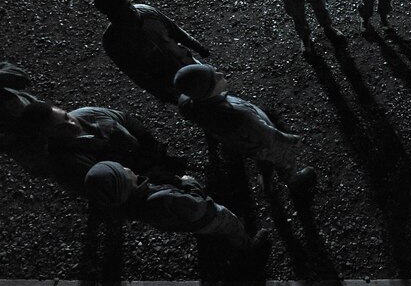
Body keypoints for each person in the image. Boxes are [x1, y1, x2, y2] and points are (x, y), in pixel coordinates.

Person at [173, 64, 317, 200]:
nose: (221, 74)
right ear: (208, 91)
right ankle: (293, 181)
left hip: (248, 147)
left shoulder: (188, 103)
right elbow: (267, 136)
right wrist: (290, 139)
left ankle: (267, 186)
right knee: (284, 162)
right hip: (266, 144)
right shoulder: (239, 115)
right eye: (216, 78)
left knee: (264, 163)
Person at [83, 161, 267, 251]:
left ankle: (221, 235)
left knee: (211, 229)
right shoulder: (163, 198)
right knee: (229, 223)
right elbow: (198, 206)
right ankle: (248, 246)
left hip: (187, 222)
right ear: (124, 183)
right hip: (208, 216)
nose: (126, 167)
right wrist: (191, 183)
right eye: (122, 170)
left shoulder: (131, 206)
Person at [16, 101, 183, 195]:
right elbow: (108, 189)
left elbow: (125, 119)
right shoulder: (66, 164)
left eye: (66, 116)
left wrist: (150, 144)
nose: (72, 124)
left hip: (148, 157)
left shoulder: (86, 113)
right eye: (61, 127)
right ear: (46, 135)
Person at [93, 0, 208, 105]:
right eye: (121, 11)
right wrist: (160, 93)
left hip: (189, 63)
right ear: (111, 17)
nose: (130, 11)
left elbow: (175, 31)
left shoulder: (148, 12)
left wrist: (198, 47)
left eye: (127, 4)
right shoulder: (113, 42)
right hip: (172, 83)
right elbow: (136, 74)